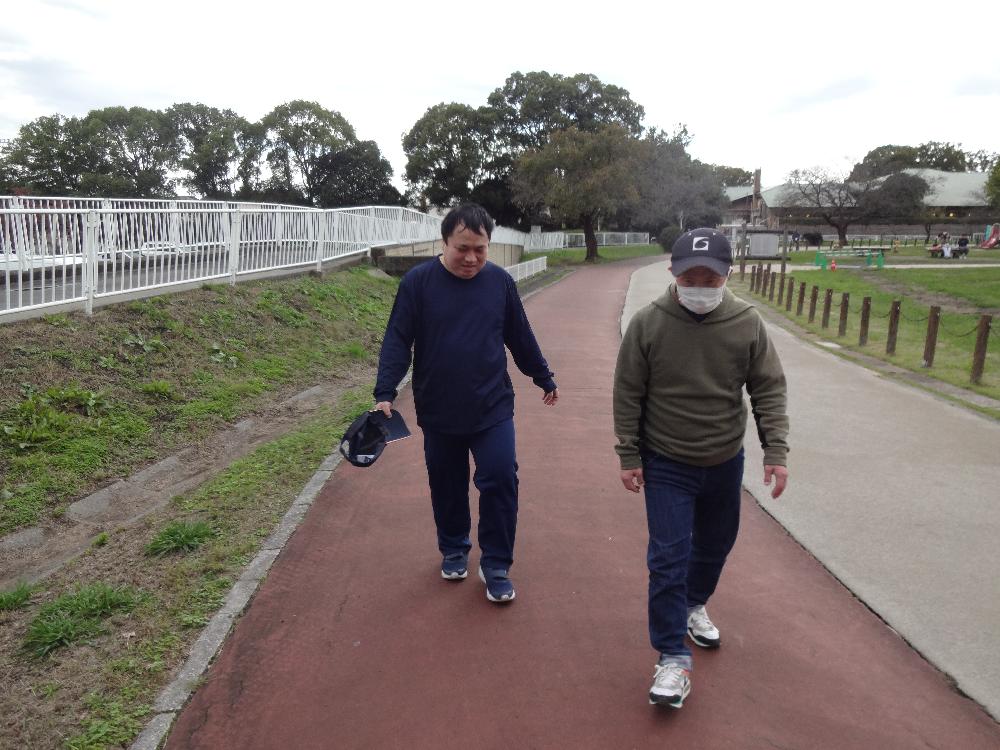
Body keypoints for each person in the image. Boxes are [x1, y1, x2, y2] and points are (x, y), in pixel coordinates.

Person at [613, 227, 789, 708]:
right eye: (689, 278)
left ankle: (694, 604)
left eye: (710, 280)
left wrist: (776, 451)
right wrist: (628, 454)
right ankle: (672, 657)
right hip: (666, 460)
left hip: (725, 459)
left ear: (726, 275)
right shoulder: (649, 324)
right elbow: (627, 392)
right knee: (667, 558)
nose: (699, 288)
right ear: (673, 273)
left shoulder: (746, 323)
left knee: (715, 545)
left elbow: (768, 388)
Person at [373, 203, 559, 604]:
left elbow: (520, 336)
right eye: (463, 248)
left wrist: (542, 376)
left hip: (492, 406)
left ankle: (496, 564)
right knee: (447, 483)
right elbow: (398, 339)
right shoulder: (418, 284)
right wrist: (384, 392)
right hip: (438, 407)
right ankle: (454, 547)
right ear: (444, 243)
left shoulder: (500, 283)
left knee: (501, 477)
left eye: (480, 249)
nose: (472, 258)